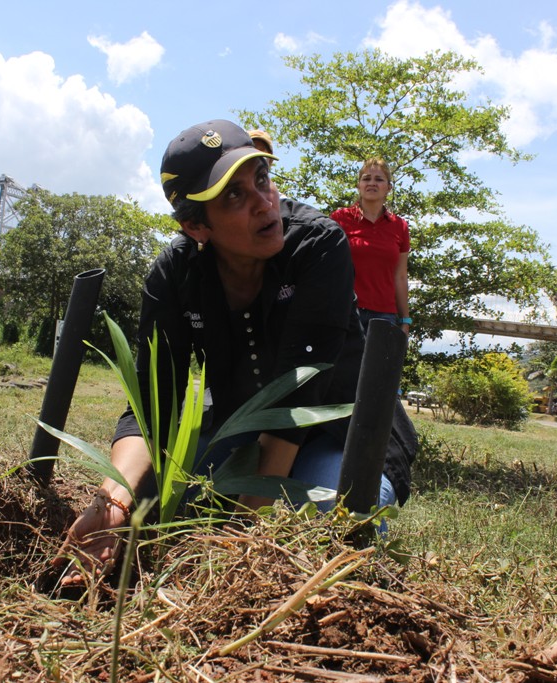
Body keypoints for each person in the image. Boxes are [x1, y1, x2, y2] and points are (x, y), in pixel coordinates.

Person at [54, 120, 417, 582]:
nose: (263, 203)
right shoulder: (174, 276)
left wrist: (241, 546)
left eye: (261, 179)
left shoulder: (317, 245)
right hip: (244, 439)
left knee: (329, 527)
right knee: (163, 501)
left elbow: (296, 400)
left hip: (337, 439)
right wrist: (112, 502)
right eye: (233, 196)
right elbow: (150, 406)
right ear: (195, 225)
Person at [330, 158, 411, 334]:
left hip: (384, 316)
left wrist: (405, 319)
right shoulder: (339, 219)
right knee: (345, 362)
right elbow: (327, 267)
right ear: (359, 185)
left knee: (378, 363)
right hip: (346, 311)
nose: (372, 183)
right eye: (366, 178)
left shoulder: (400, 226)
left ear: (388, 188)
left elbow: (401, 276)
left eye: (379, 179)